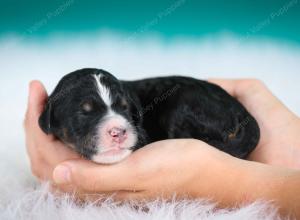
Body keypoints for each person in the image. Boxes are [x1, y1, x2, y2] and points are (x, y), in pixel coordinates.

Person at [24, 79, 300, 218]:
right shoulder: (54, 114)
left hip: (210, 111)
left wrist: (224, 179)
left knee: (182, 105)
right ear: (50, 121)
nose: (117, 127)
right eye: (87, 113)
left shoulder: (160, 105)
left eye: (121, 109)